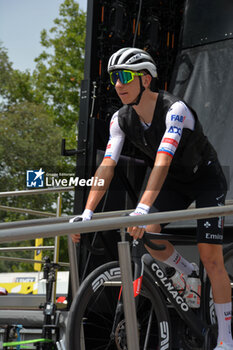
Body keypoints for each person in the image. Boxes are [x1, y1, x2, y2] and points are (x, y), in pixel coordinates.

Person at [70, 47, 232, 350]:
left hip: (205, 178)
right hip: (173, 182)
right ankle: (186, 271)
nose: (118, 84)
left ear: (146, 79)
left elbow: (162, 159)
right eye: (113, 78)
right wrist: (87, 213)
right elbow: (107, 165)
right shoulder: (120, 119)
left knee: (210, 256)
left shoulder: (175, 109)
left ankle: (226, 337)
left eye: (124, 76)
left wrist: (143, 208)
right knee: (148, 235)